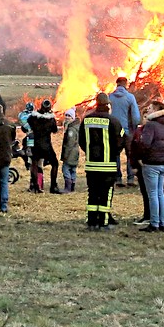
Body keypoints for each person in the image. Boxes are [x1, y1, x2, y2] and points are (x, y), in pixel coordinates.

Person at [80, 95, 126, 231]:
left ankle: (92, 221)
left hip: (91, 164)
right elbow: (121, 140)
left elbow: (81, 140)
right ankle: (104, 222)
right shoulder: (113, 121)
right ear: (108, 105)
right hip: (108, 165)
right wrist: (114, 153)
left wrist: (90, 153)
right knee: (106, 193)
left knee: (93, 193)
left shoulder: (86, 119)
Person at [135, 105, 164, 232]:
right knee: (160, 193)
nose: (148, 111)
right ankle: (163, 222)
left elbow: (145, 143)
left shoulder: (151, 125)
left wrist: (140, 157)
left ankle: (154, 223)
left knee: (152, 194)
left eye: (150, 109)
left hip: (151, 163)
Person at [107, 77, 142, 187]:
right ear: (125, 84)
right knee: (130, 155)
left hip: (114, 131)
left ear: (116, 84)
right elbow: (136, 117)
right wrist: (134, 128)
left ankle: (118, 178)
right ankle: (130, 178)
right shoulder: (130, 97)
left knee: (115, 155)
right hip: (127, 131)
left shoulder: (110, 97)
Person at [28, 99, 60, 194]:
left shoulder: (33, 117)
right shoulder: (50, 119)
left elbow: (28, 123)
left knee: (34, 163)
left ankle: (35, 185)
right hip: (46, 145)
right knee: (54, 164)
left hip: (36, 144)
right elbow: (55, 130)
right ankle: (53, 186)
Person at [60, 108, 82, 193]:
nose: (67, 117)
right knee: (73, 170)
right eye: (66, 115)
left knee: (66, 169)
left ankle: (68, 187)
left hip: (70, 153)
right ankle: (72, 186)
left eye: (69, 116)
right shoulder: (76, 127)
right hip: (75, 153)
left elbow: (69, 143)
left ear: (73, 117)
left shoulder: (71, 130)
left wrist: (65, 155)